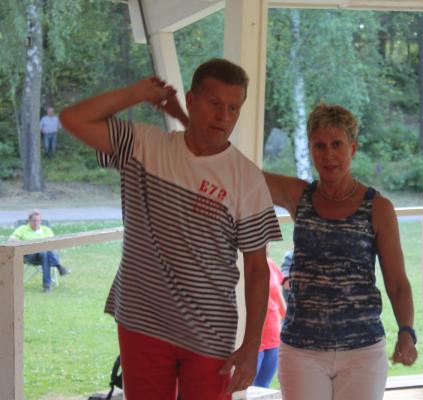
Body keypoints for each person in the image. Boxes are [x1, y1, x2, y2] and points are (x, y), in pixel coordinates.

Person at [59, 58, 282, 400]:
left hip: (210, 330)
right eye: (214, 103)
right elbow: (73, 118)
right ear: (191, 100)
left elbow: (256, 268)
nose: (223, 116)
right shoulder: (144, 145)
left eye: (233, 108)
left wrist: (252, 346)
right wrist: (137, 93)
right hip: (143, 318)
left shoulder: (246, 178)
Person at [264, 103, 417, 400]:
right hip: (301, 349)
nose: (328, 155)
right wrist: (187, 121)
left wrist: (406, 332)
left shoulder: (378, 208)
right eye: (319, 146)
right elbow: (242, 173)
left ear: (353, 148)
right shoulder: (299, 196)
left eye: (337, 144)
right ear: (310, 149)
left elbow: (397, 282)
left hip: (362, 350)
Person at [8, 210, 70, 292]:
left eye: (38, 221)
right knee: (44, 252)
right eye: (34, 221)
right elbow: (11, 240)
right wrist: (27, 244)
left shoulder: (46, 229)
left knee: (44, 253)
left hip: (47, 255)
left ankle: (46, 286)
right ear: (29, 221)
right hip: (30, 256)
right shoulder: (22, 229)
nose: (36, 223)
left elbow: (54, 243)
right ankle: (59, 267)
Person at [253, 251, 286, 388]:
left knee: (263, 387)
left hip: (273, 338)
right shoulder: (244, 266)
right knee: (246, 389)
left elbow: (277, 294)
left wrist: (288, 320)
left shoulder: (270, 264)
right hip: (253, 342)